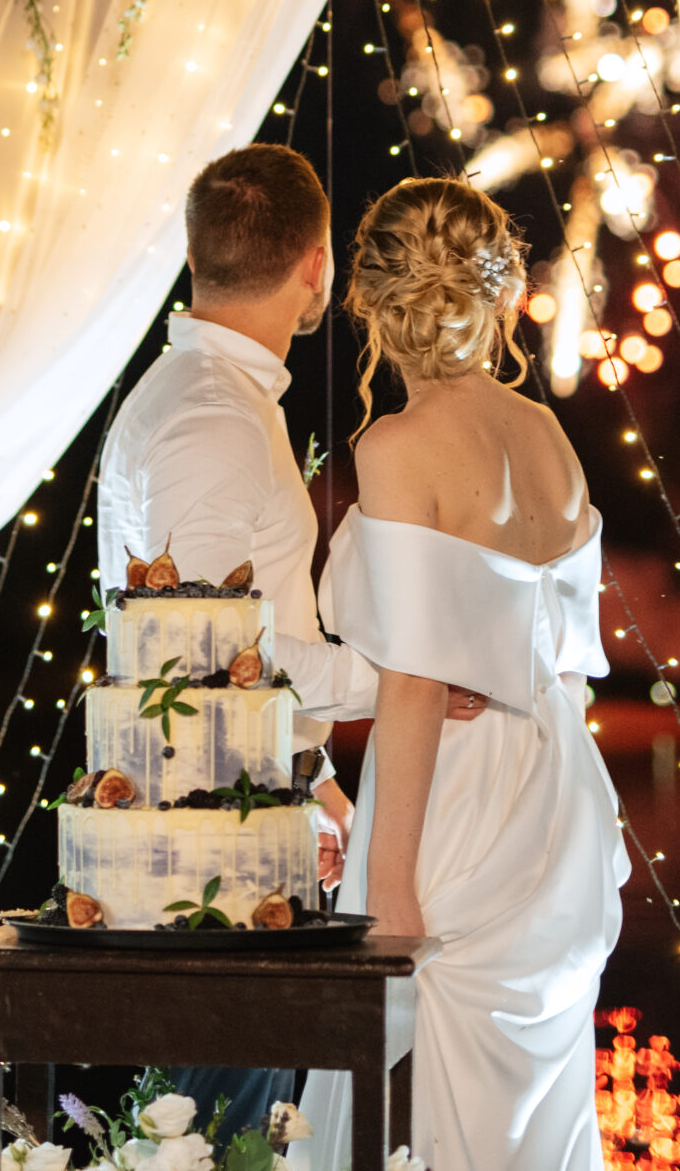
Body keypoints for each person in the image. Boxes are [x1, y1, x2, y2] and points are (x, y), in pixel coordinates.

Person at [97, 146, 487, 1129]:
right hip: (204, 862)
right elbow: (198, 657)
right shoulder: (206, 421)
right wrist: (408, 679)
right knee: (218, 1131)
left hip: (253, 826)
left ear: (197, 254)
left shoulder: (218, 399)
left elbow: (242, 638)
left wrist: (317, 791)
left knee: (245, 1127)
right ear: (316, 262)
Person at [296, 177, 629, 1171]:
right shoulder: (549, 435)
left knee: (420, 1098)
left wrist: (388, 888)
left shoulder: (395, 446)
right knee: (536, 1107)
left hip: (459, 796)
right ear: (498, 293)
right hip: (562, 793)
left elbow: (412, 683)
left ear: (371, 300)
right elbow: (570, 668)